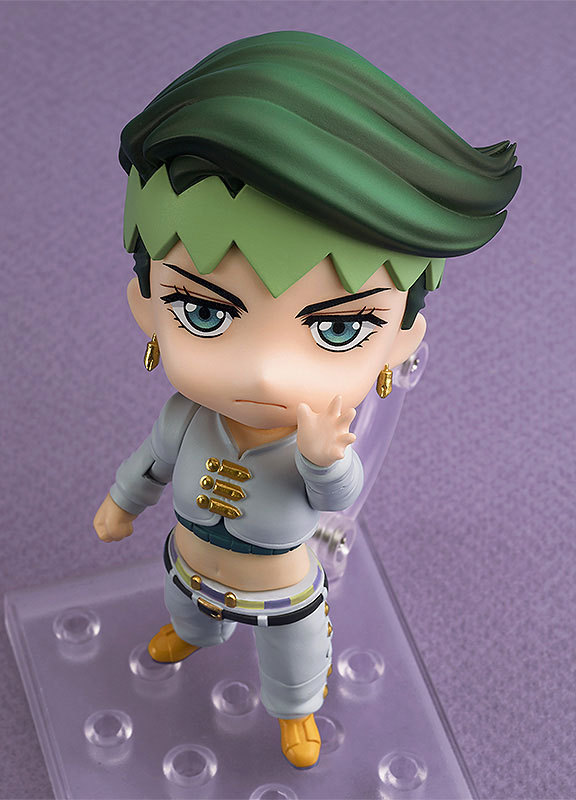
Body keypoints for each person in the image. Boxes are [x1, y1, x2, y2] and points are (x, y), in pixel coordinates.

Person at [93, 30, 521, 769]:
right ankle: (190, 637)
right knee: (185, 610)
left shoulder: (313, 438)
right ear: (147, 307)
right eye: (204, 312)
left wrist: (324, 458)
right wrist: (120, 505)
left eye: (338, 329)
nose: (264, 372)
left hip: (282, 584)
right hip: (191, 560)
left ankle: (296, 713)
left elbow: (337, 495)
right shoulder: (186, 418)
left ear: (400, 343)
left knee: (293, 657)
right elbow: (150, 465)